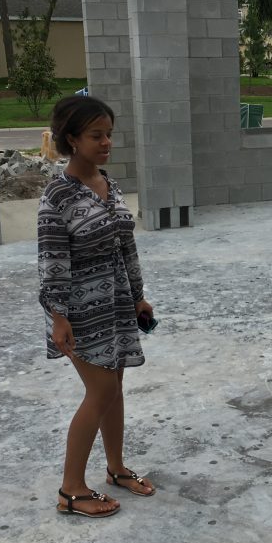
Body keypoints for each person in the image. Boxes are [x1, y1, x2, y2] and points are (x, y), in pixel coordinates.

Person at [38, 94, 157, 519]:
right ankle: (71, 489)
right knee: (101, 389)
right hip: (78, 309)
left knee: (115, 388)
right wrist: (58, 316)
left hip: (117, 302)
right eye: (96, 135)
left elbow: (128, 246)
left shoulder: (109, 184)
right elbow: (52, 260)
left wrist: (138, 295)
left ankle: (117, 468)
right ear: (72, 138)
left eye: (108, 134)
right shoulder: (57, 195)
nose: (106, 142)